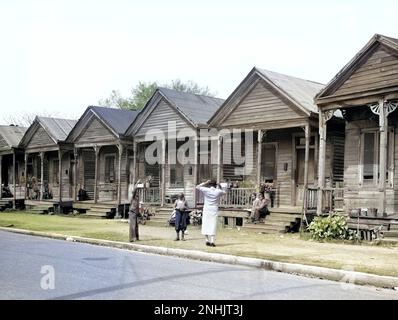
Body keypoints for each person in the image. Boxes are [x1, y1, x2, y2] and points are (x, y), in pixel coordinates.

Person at [196, 179, 226, 247]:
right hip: (214, 209)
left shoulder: (206, 190)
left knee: (206, 224)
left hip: (207, 208)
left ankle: (207, 240)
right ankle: (212, 241)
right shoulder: (217, 191)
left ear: (209, 185)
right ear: (215, 185)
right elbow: (224, 192)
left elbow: (197, 187)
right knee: (213, 224)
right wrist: (220, 185)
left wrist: (205, 182)